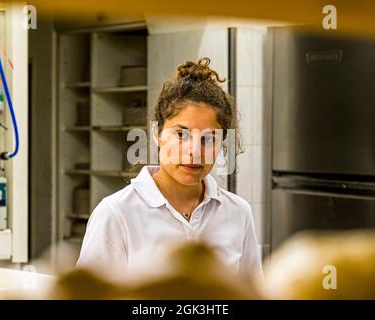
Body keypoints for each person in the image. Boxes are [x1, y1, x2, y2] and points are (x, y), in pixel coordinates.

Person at [76, 57, 262, 280]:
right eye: (181, 134)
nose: (194, 151)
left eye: (209, 138)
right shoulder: (116, 214)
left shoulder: (238, 213)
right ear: (157, 134)